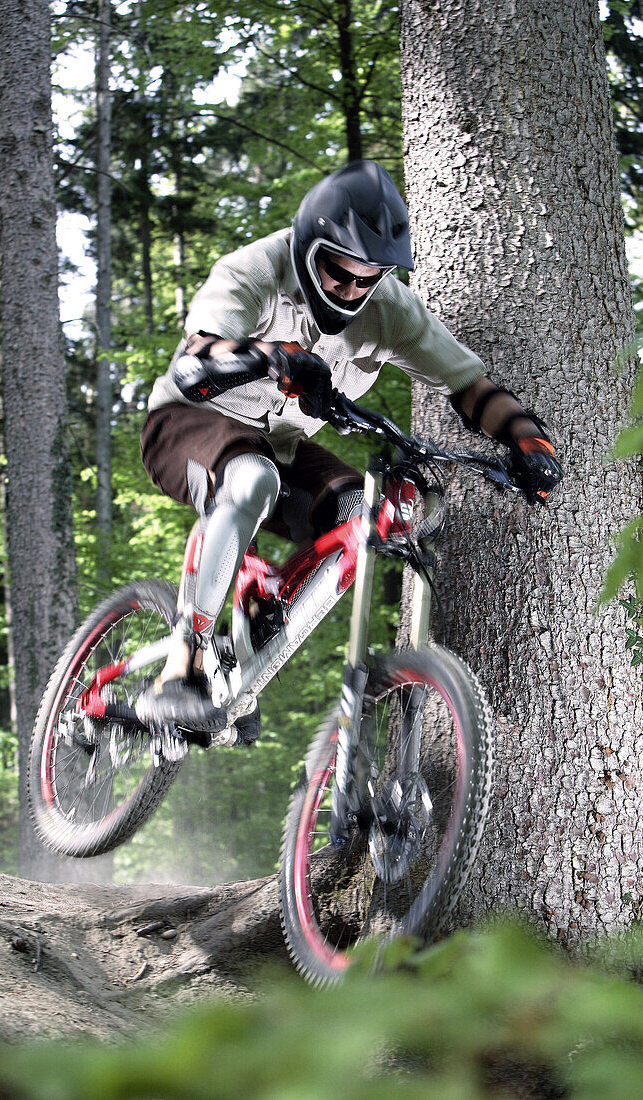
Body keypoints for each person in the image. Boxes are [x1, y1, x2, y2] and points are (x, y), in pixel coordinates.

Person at [136, 159, 562, 739]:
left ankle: (248, 639)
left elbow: (469, 384)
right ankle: (179, 669)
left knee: (357, 516)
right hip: (187, 422)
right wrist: (273, 356)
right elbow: (195, 364)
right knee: (251, 477)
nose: (352, 290)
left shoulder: (388, 308)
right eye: (338, 273)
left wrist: (524, 437)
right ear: (309, 248)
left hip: (281, 447)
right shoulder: (255, 268)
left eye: (368, 278)